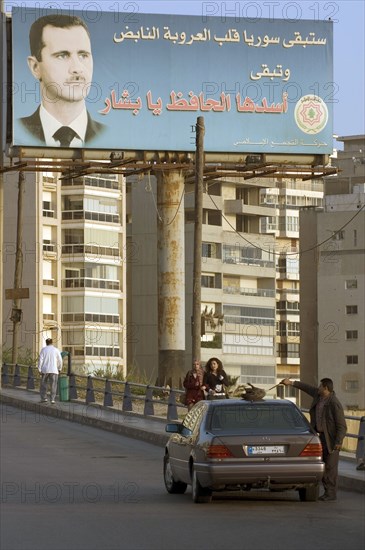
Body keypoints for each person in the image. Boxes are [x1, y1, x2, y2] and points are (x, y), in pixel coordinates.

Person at [18, 14, 105, 147]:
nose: (77, 68)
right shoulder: (18, 132)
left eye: (83, 55)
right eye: (62, 56)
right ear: (35, 67)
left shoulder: (112, 136)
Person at [281, 377, 347, 502]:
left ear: (326, 388)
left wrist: (338, 442)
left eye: (321, 386)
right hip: (320, 436)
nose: (318, 388)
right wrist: (291, 383)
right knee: (322, 465)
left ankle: (331, 493)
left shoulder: (334, 403)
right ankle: (326, 492)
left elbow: (342, 426)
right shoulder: (319, 396)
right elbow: (306, 387)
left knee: (330, 467)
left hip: (331, 440)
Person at [38, 338, 63, 404]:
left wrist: (39, 369)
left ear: (46, 343)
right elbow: (60, 360)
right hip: (54, 370)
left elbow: (40, 360)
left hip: (45, 370)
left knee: (43, 384)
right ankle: (52, 399)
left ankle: (44, 398)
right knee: (53, 385)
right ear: (52, 343)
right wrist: (59, 368)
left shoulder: (43, 350)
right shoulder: (56, 350)